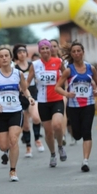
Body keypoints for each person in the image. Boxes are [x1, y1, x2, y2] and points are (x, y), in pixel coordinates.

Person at [0, 47, 35, 181]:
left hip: (15, 111)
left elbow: (25, 89)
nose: (4, 58)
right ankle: (6, 152)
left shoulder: (18, 74)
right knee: (3, 145)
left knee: (13, 140)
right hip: (0, 113)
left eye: (6, 55)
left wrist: (29, 97)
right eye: (1, 56)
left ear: (10, 57)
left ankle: (13, 170)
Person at [55, 42, 97, 172]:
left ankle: (85, 161)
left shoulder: (90, 68)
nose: (76, 53)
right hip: (73, 106)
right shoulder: (69, 70)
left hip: (88, 104)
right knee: (77, 135)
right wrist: (67, 94)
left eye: (78, 51)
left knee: (87, 132)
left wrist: (96, 90)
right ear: (71, 54)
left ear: (83, 52)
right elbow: (57, 87)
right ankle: (72, 133)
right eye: (73, 51)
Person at [26, 39, 66, 168]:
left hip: (57, 99)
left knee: (57, 125)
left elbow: (67, 76)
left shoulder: (59, 62)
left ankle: (60, 146)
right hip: (43, 102)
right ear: (39, 51)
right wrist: (22, 90)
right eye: (42, 48)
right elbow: (27, 83)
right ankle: (53, 154)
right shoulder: (35, 65)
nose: (45, 51)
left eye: (47, 48)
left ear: (51, 49)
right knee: (48, 132)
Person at [13, 44, 44, 157]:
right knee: (25, 126)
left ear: (27, 53)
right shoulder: (14, 68)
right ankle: (28, 147)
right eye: (19, 52)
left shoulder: (32, 65)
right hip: (20, 98)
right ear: (16, 55)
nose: (22, 54)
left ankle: (37, 139)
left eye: (23, 52)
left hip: (33, 95)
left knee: (36, 117)